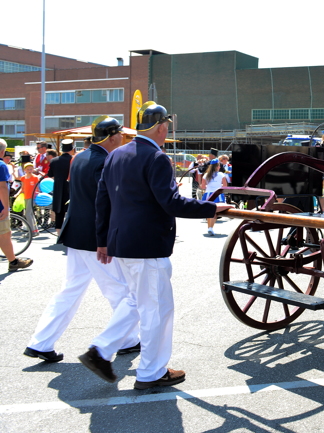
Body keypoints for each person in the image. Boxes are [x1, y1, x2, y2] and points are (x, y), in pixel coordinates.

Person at [78, 102, 231, 390]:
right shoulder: (157, 158)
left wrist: (102, 241)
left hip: (121, 242)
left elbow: (104, 201)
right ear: (162, 127)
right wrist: (212, 208)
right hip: (146, 246)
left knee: (138, 302)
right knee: (157, 310)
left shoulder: (116, 154)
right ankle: (151, 372)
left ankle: (100, 350)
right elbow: (171, 202)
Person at [24, 117, 140, 363]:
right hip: (94, 237)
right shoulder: (104, 161)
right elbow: (105, 204)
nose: (123, 138)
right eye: (120, 134)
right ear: (111, 136)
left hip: (75, 233)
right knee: (118, 289)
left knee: (71, 290)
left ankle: (40, 342)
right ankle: (127, 340)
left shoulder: (83, 157)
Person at [0, 138, 33, 272]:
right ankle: (13, 262)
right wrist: (6, 207)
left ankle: (13, 260)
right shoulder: (1, 166)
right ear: (2, 152)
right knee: (4, 234)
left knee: (5, 234)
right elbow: (2, 188)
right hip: (0, 206)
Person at [47, 139, 74, 236]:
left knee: (59, 211)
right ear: (72, 149)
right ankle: (71, 233)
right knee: (71, 210)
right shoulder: (74, 159)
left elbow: (50, 174)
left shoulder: (54, 161)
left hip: (58, 187)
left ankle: (59, 234)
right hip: (71, 187)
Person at [202, 159, 228, 236]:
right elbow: (225, 186)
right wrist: (218, 185)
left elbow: (203, 186)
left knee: (209, 211)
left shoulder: (206, 175)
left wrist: (209, 186)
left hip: (208, 194)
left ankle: (209, 227)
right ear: (217, 167)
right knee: (215, 211)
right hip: (217, 194)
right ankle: (211, 228)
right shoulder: (221, 175)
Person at [21, 162, 39, 236]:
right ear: (25, 170)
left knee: (28, 214)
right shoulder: (23, 178)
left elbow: (37, 188)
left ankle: (32, 231)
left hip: (32, 197)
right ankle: (35, 230)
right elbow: (22, 188)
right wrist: (17, 194)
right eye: (28, 169)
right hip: (26, 197)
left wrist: (36, 194)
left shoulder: (35, 177)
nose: (29, 170)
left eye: (31, 169)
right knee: (30, 214)